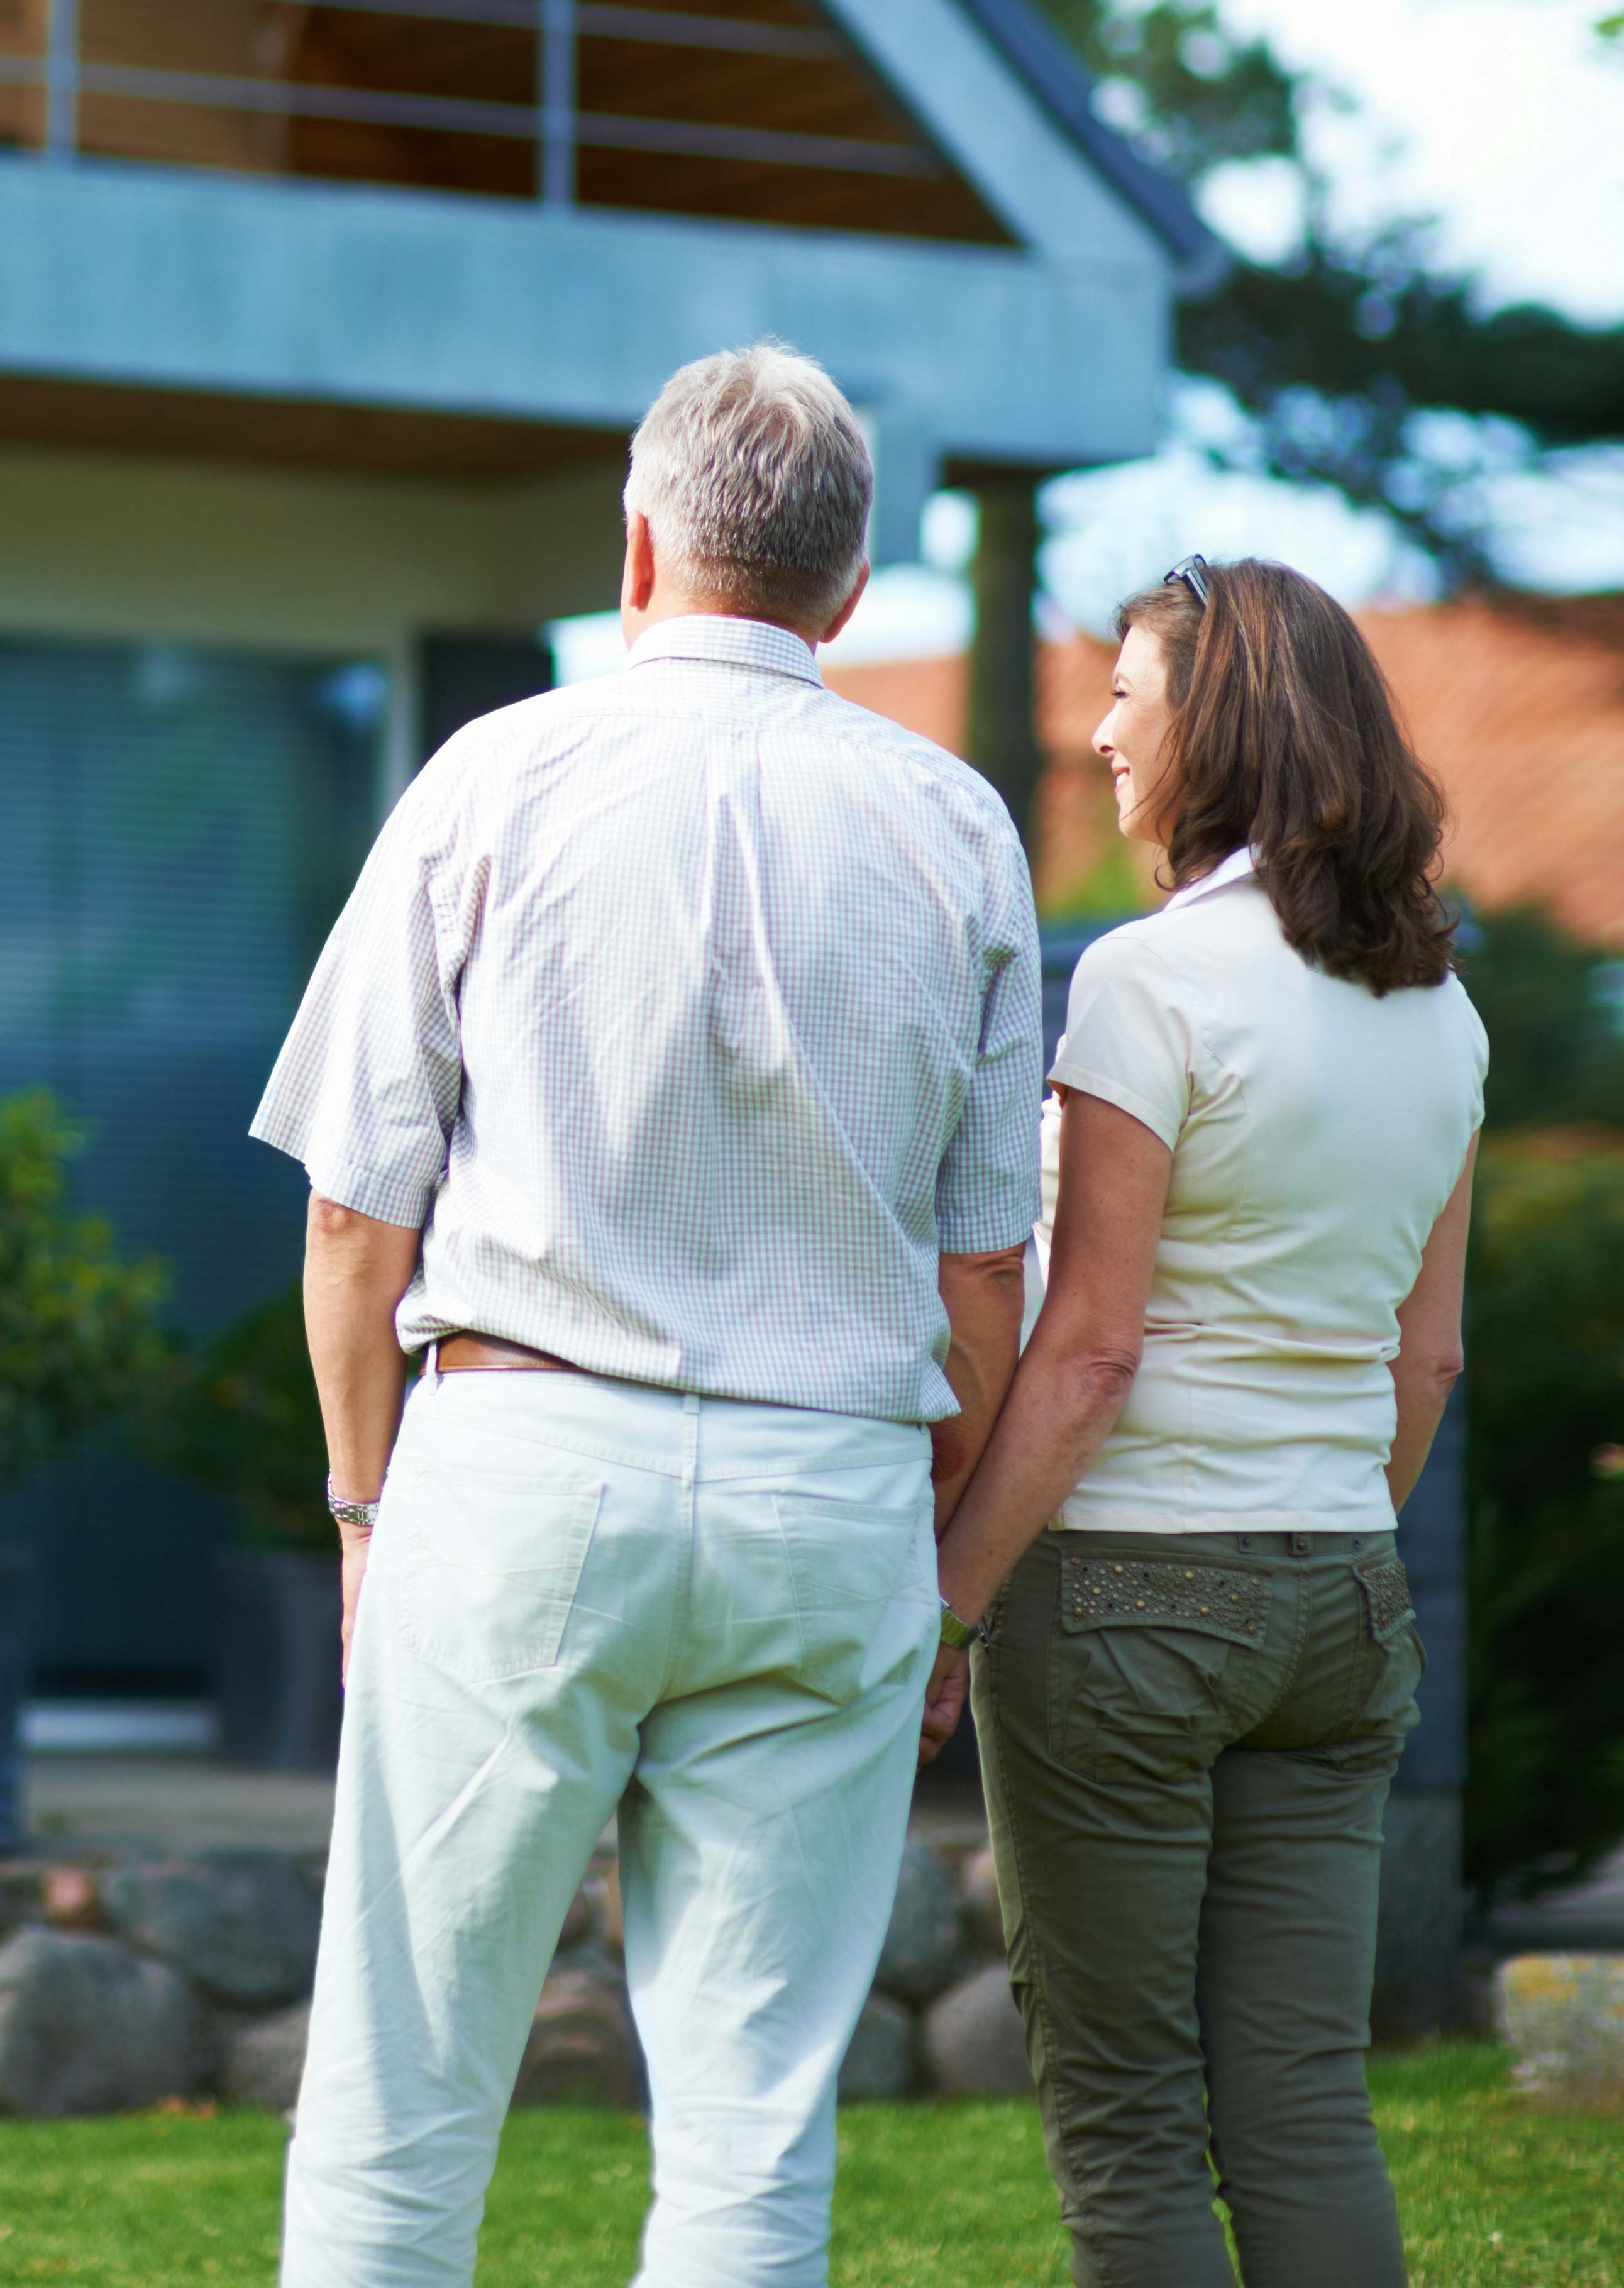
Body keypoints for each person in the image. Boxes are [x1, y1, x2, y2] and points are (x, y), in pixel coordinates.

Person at [248, 340, 1041, 2288]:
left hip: (521, 1464)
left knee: (402, 2093)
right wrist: (936, 1565)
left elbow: (356, 1220)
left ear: (636, 547)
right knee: (754, 2135)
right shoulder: (959, 831)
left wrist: (366, 1512)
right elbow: (982, 1279)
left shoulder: (494, 774)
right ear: (851, 591)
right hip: (833, 1492)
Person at [932, 555, 1486, 2288]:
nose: (1098, 733)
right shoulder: (1443, 1012)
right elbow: (1430, 1362)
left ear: (1218, 730)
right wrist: (1326, 1534)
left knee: (1124, 2109)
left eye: (1128, 696)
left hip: (1119, 1602)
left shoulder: (1149, 985)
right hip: (1339, 1595)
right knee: (1306, 2101)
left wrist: (947, 1602)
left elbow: (1087, 1352)